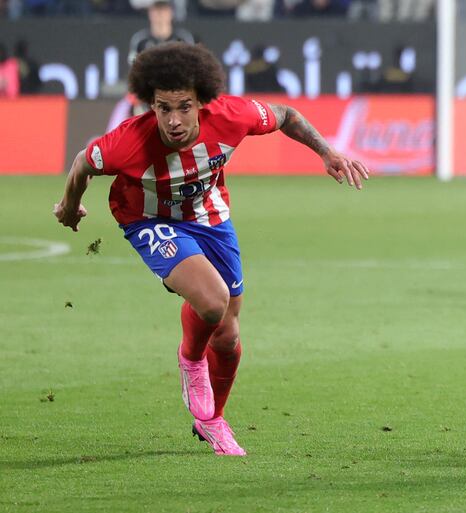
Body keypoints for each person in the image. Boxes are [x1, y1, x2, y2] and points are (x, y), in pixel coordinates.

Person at [53, 42, 369, 456]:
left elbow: (286, 116)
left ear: (201, 99)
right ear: (150, 103)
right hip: (149, 220)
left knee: (229, 333)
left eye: (184, 106)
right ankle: (190, 359)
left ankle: (212, 421)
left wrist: (327, 152)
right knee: (211, 303)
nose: (174, 120)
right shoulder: (126, 143)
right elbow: (82, 163)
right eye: (163, 107)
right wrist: (70, 206)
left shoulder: (231, 115)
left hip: (209, 216)